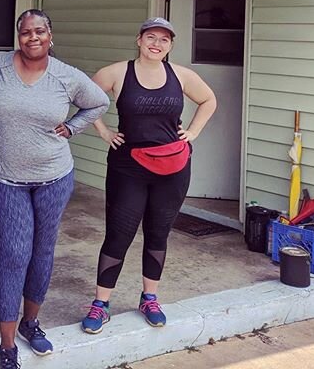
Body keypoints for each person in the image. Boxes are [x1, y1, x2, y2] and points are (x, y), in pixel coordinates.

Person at [0, 9, 110, 369]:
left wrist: (72, 128)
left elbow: (99, 101)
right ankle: (7, 345)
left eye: (40, 31)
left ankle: (30, 323)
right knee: (12, 255)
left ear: (50, 35)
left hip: (54, 177)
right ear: (18, 36)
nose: (33, 37)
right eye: (26, 32)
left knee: (42, 252)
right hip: (5, 178)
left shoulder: (66, 76)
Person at [81, 17, 216, 334]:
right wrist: (103, 131)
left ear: (170, 46)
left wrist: (193, 132)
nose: (157, 44)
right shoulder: (116, 73)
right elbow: (82, 98)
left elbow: (209, 100)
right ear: (139, 39)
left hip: (173, 168)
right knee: (119, 234)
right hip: (128, 167)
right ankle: (101, 303)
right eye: (151, 37)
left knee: (158, 233)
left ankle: (150, 298)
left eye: (164, 40)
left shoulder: (181, 76)